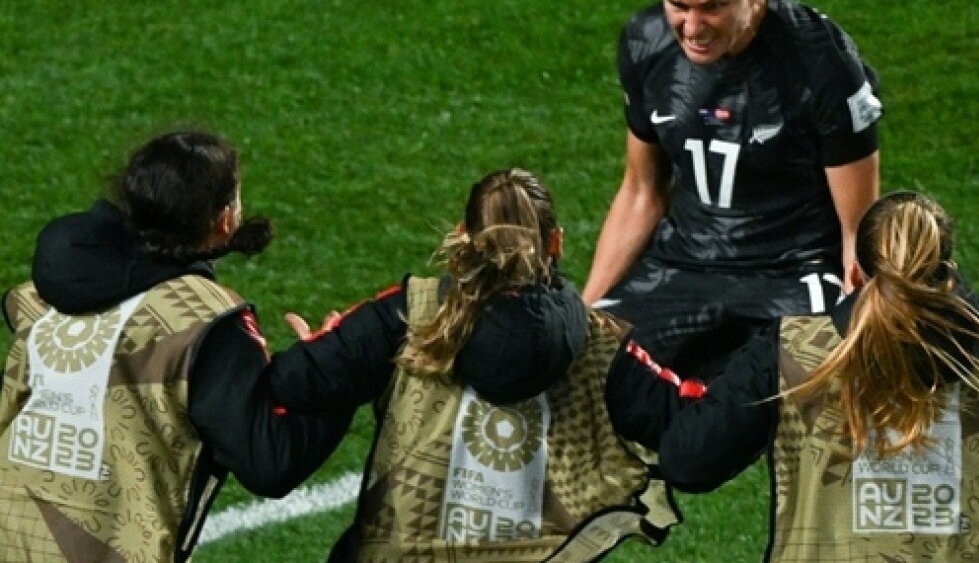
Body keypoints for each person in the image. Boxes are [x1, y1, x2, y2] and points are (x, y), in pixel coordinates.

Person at [606, 191, 979, 561]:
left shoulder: (791, 352)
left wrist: (634, 373)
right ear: (949, 272)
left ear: (855, 276)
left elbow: (690, 462)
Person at [268, 168, 678, 562]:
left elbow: (290, 382)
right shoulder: (604, 345)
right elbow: (690, 435)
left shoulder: (411, 313)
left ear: (464, 238)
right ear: (556, 243)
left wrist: (318, 353)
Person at [0, 130, 354, 561]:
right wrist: (335, 371)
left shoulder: (48, 289)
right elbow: (269, 461)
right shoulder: (204, 322)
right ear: (224, 220)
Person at [583, 0, 883, 378]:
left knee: (816, 408)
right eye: (677, 4)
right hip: (683, 268)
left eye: (713, 7)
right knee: (586, 372)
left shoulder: (820, 61)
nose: (692, 26)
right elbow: (642, 191)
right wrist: (587, 309)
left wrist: (858, 326)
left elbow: (858, 228)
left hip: (791, 274)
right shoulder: (645, 44)